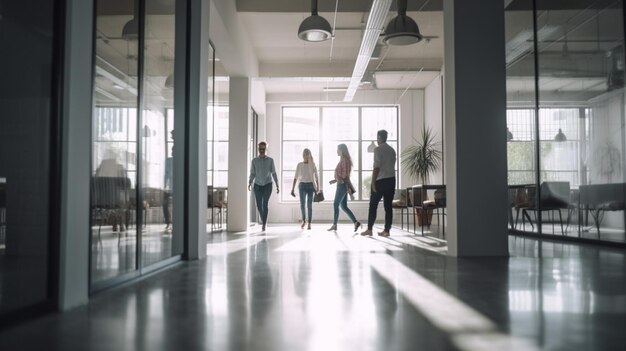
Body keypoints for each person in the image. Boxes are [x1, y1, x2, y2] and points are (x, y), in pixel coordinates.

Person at [361, 130, 396, 237]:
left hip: (380, 181)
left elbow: (376, 167)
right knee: (388, 207)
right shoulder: (392, 150)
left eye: (377, 137)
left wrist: (373, 183)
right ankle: (387, 231)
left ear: (379, 137)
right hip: (391, 180)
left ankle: (370, 229)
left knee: (373, 205)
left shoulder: (378, 149)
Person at [328, 144, 361, 232]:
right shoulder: (342, 160)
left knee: (335, 204)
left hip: (342, 186)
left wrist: (340, 182)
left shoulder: (345, 161)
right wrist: (335, 180)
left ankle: (334, 224)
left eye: (337, 149)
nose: (336, 151)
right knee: (344, 206)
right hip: (341, 184)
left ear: (341, 150)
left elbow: (345, 176)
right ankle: (356, 222)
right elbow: (342, 175)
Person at [248, 141, 279, 231]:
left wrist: (277, 184)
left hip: (267, 185)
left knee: (265, 204)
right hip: (257, 185)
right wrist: (250, 182)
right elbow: (252, 173)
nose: (261, 150)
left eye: (263, 149)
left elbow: (274, 173)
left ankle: (264, 224)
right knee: (258, 205)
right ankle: (263, 219)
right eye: (260, 149)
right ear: (258, 149)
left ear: (266, 149)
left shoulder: (270, 160)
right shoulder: (254, 161)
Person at [95, 149, 128, 232]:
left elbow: (95, 183)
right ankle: (120, 223)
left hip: (102, 200)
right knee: (122, 203)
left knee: (116, 203)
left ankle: (115, 223)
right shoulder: (119, 167)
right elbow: (126, 183)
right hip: (116, 199)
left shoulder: (100, 168)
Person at [290, 148, 319, 230]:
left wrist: (318, 187)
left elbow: (317, 177)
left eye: (306, 154)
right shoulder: (299, 165)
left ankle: (309, 222)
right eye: (303, 154)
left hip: (310, 186)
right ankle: (304, 220)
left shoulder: (312, 164)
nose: (304, 155)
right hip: (302, 186)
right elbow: (295, 177)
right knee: (302, 205)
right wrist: (292, 189)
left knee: (309, 205)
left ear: (309, 155)